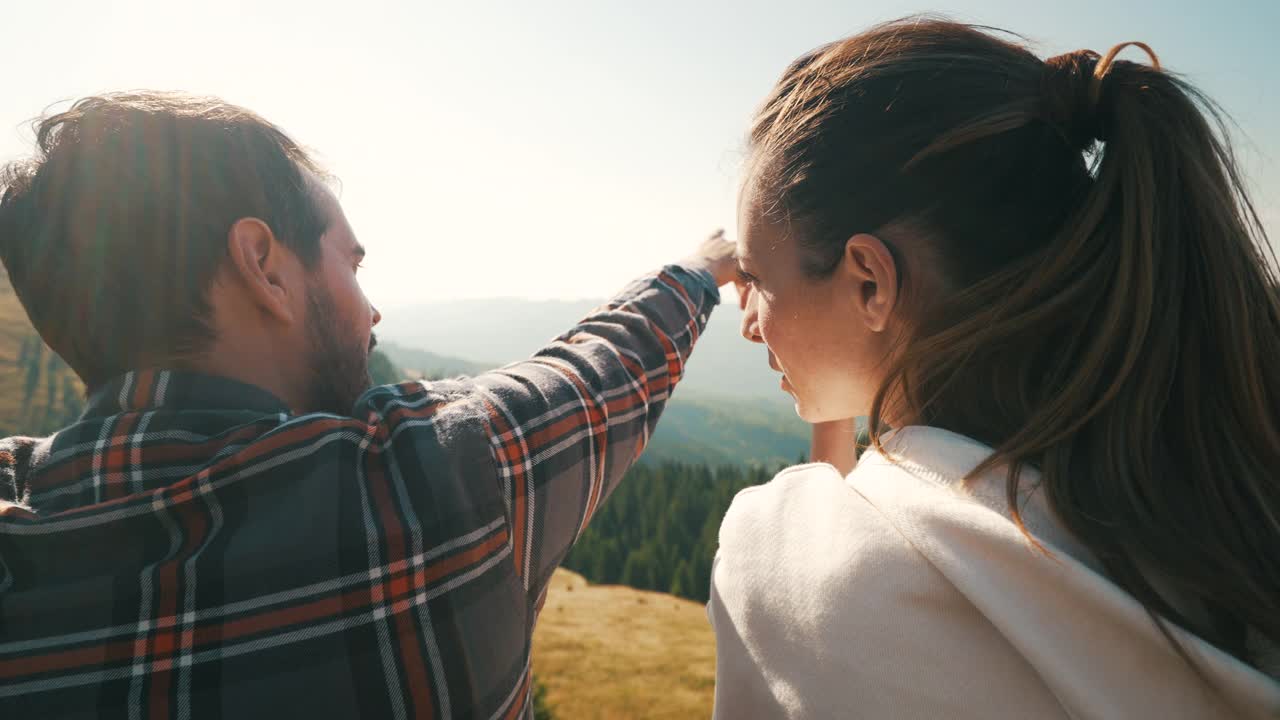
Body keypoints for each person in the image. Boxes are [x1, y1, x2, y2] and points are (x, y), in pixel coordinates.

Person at [0, 92, 737, 718]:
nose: (372, 310)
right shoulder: (430, 492)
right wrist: (703, 268)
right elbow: (603, 366)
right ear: (264, 267)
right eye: (351, 262)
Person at [709, 18, 1280, 719]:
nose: (747, 320)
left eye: (758, 280)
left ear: (871, 284)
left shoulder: (773, 559)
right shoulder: (1211, 501)